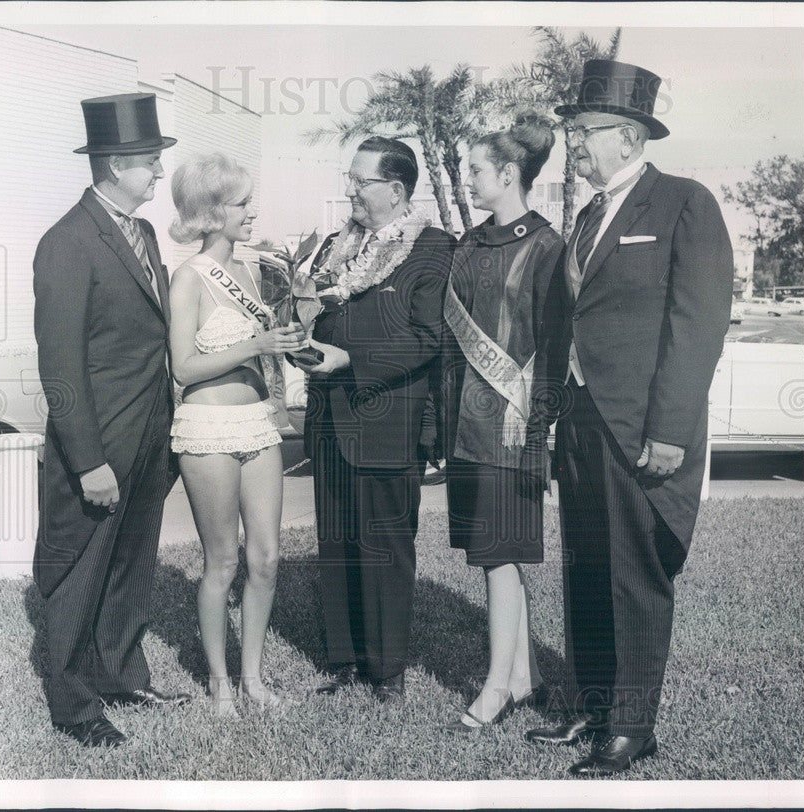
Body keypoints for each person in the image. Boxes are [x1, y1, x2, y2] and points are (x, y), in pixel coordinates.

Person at [524, 60, 733, 774]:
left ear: (629, 135)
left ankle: (633, 726)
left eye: (582, 131)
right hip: (581, 424)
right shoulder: (586, 213)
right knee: (586, 569)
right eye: (571, 132)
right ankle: (592, 706)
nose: (572, 145)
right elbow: (569, 321)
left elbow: (698, 325)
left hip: (641, 426)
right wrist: (551, 415)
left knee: (635, 576)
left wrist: (670, 431)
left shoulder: (683, 202)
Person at [33, 93, 190, 748]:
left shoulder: (145, 234)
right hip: (98, 450)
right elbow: (62, 368)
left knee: (131, 566)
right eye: (151, 164)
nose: (159, 175)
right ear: (117, 164)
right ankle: (73, 706)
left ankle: (120, 672)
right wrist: (89, 459)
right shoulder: (67, 243)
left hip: (151, 440)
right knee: (77, 573)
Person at [301, 136, 455, 703]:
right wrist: (306, 343)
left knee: (386, 548)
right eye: (350, 179)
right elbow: (321, 312)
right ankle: (344, 660)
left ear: (395, 189)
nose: (350, 191)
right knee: (337, 542)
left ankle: (388, 671)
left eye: (359, 181)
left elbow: (428, 336)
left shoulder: (433, 247)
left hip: (387, 421)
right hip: (328, 420)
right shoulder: (339, 247)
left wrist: (353, 360)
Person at [167, 154, 306, 716]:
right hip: (207, 427)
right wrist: (254, 346)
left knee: (267, 558)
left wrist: (289, 338)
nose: (253, 212)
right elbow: (183, 368)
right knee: (222, 561)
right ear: (211, 210)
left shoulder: (252, 273)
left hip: (257, 422)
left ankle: (254, 678)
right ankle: (220, 684)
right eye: (243, 203)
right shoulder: (189, 277)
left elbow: (267, 347)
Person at [438, 117, 564, 732]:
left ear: (509, 176)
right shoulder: (470, 244)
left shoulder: (546, 247)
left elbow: (555, 346)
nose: (470, 180)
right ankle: (526, 675)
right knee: (494, 554)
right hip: (466, 426)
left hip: (513, 428)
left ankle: (496, 687)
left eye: (477, 171)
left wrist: (539, 430)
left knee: (498, 555)